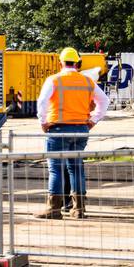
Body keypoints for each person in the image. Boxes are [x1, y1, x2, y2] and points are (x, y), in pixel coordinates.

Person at [36, 47, 109, 219]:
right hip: (81, 130)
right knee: (76, 169)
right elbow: (104, 101)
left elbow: (42, 102)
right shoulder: (87, 81)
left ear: (60, 62)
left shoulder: (54, 80)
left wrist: (43, 122)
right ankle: (79, 210)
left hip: (58, 129)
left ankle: (54, 209)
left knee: (55, 170)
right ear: (77, 62)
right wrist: (92, 120)